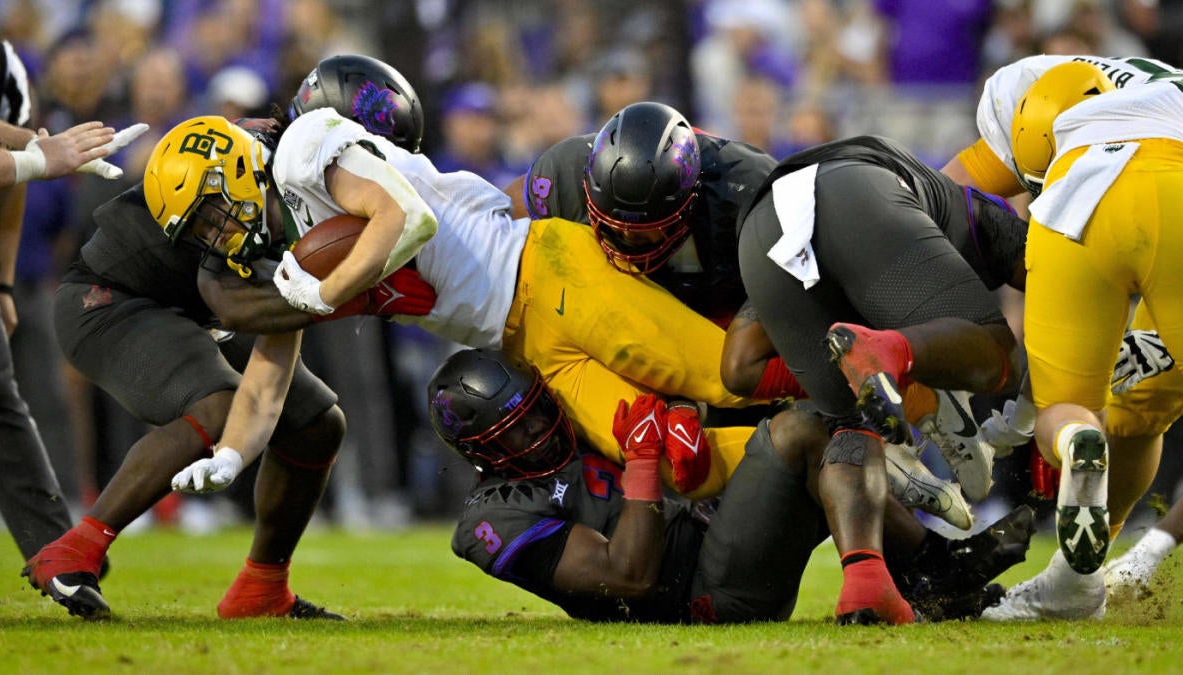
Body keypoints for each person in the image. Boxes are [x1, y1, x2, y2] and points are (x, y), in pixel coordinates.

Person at [166, 56, 761, 504]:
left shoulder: (304, 146)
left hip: (547, 272)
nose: (217, 237)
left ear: (239, 167)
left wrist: (324, 292)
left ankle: (847, 382)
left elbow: (406, 218)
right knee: (667, 460)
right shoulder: (293, 237)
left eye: (211, 215)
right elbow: (272, 365)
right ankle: (816, 452)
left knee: (728, 376)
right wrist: (232, 453)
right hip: (523, 340)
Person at [20, 110, 434, 619]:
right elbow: (234, 302)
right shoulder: (221, 227)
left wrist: (340, 283)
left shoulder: (281, 161)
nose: (213, 234)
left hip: (192, 311)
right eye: (197, 226)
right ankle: (77, 547)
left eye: (212, 214)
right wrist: (352, 292)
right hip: (106, 302)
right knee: (217, 404)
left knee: (316, 424)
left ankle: (261, 588)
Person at [503, 101, 994, 513]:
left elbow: (810, 281)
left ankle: (912, 409)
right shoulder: (560, 175)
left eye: (648, 228)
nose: (628, 240)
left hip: (761, 282)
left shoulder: (745, 191)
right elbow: (498, 224)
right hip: (652, 303)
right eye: (611, 224)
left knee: (743, 370)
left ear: (690, 198)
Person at [431, 348, 1035, 624]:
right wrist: (642, 463)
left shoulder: (578, 419)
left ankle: (930, 573)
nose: (541, 429)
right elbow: (630, 577)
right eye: (518, 431)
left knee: (825, 412)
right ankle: (923, 575)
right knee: (800, 432)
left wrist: (685, 423)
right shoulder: (492, 520)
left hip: (716, 533)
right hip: (698, 598)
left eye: (540, 410)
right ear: (481, 450)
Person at [734, 134, 1030, 624]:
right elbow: (1055, 283)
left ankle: (866, 584)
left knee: (850, 427)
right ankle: (906, 375)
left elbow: (738, 368)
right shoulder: (974, 212)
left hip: (762, 231)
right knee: (999, 355)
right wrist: (1054, 410)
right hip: (856, 197)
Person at [940, 52, 1183, 620]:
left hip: (1075, 202)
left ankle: (1079, 554)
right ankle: (1092, 571)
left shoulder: (1021, 89)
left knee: (1071, 409)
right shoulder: (1159, 82)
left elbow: (939, 191)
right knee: (1140, 413)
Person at [0, 27, 141, 569]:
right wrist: (39, 158)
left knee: (4, 402)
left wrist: (1, 279)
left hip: (5, 276)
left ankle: (58, 554)